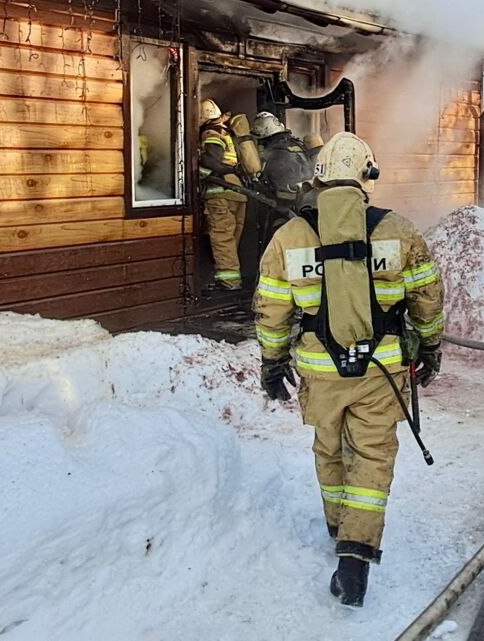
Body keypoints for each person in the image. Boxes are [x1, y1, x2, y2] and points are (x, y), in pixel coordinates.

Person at [253, 132, 445, 608]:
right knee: (373, 457)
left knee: (330, 449)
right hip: (380, 371)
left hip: (320, 372)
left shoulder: (290, 236)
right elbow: (427, 297)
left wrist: (272, 363)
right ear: (366, 175)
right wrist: (432, 345)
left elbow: (271, 311)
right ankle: (355, 557)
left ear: (318, 178)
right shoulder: (398, 231)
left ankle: (339, 528)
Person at [199, 98, 247, 291]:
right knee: (231, 240)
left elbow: (211, 160)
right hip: (238, 191)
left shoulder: (211, 133)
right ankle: (227, 278)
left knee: (222, 240)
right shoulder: (230, 134)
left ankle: (229, 284)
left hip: (220, 193)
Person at [252, 112, 316, 238]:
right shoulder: (297, 145)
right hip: (308, 205)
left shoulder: (276, 154)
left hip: (287, 210)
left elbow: (276, 186)